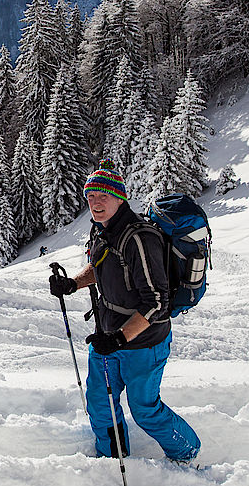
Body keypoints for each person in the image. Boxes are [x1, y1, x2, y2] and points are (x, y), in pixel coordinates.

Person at [49, 161, 200, 463]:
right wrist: (72, 284)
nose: (95, 202)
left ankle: (187, 453)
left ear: (120, 197)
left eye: (103, 195)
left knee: (144, 409)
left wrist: (120, 338)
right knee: (100, 402)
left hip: (144, 343)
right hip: (108, 336)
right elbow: (100, 265)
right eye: (90, 196)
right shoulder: (102, 231)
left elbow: (157, 302)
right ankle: (113, 459)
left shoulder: (139, 238)